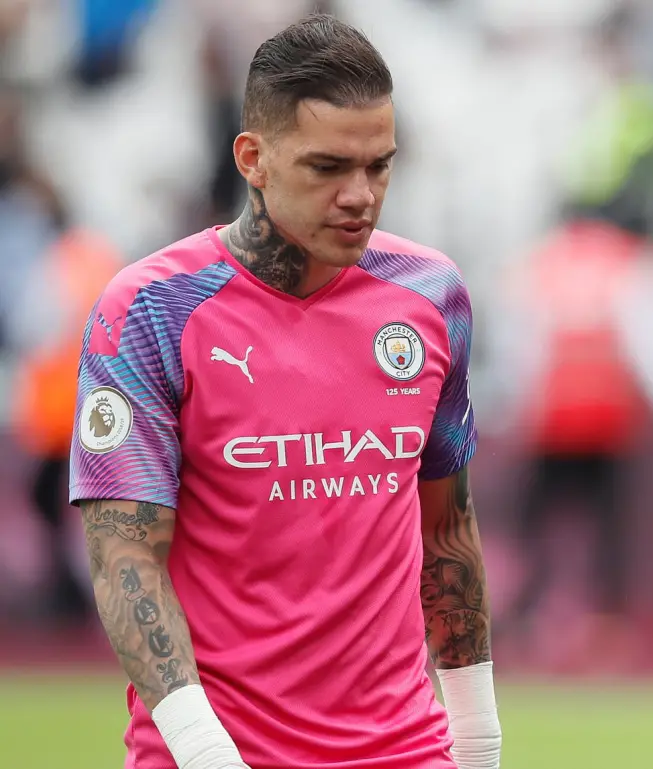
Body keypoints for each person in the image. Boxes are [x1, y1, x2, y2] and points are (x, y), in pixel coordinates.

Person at [70, 14, 500, 769]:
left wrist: (479, 743)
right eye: (328, 167)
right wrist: (206, 753)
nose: (360, 195)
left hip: (405, 751)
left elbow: (446, 531)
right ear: (253, 159)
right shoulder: (150, 310)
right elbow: (124, 558)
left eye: (379, 166)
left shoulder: (433, 295)